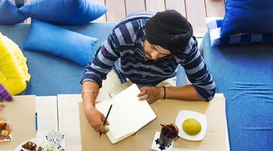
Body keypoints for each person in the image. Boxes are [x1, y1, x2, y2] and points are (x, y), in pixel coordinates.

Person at [81, 10, 216, 133]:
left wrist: (160, 92)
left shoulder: (186, 47)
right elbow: (95, 71)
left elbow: (206, 90)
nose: (154, 56)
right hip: (122, 74)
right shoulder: (124, 33)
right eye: (153, 47)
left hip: (160, 82)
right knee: (106, 121)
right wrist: (88, 108)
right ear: (146, 34)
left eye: (164, 55)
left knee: (159, 130)